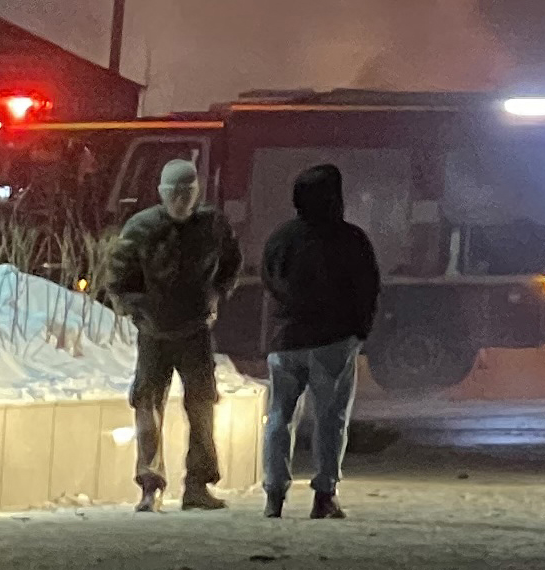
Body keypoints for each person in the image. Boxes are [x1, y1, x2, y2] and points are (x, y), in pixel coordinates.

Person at [100, 156, 243, 511]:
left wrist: (217, 294)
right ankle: (151, 486)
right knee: (148, 407)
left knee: (202, 408)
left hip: (195, 332)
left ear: (197, 192)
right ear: (162, 192)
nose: (181, 198)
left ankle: (198, 484)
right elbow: (117, 277)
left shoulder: (213, 226)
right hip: (153, 334)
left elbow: (231, 264)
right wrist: (137, 309)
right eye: (174, 191)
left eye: (188, 191)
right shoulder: (141, 228)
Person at [257, 162, 380, 520]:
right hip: (333, 342)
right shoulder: (351, 239)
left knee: (279, 416)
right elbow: (367, 289)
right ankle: (324, 494)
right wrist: (360, 330)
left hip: (286, 341)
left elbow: (268, 282)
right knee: (330, 418)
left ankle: (274, 494)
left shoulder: (281, 238)